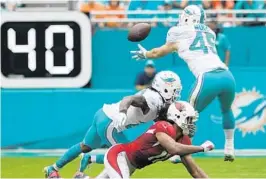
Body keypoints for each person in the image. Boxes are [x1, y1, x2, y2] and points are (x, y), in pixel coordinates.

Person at [131, 5, 236, 161]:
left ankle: (180, 153)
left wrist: (146, 54)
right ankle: (229, 149)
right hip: (227, 76)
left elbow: (158, 52)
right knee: (226, 110)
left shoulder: (178, 32)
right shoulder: (209, 32)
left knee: (185, 114)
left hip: (208, 77)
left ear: (186, 17)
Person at [44, 71, 182, 178]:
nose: (176, 94)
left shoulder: (159, 102)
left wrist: (173, 152)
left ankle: (53, 169)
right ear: (164, 88)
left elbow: (162, 129)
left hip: (103, 114)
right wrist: (122, 112)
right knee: (128, 157)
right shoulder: (153, 98)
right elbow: (129, 99)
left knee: (85, 146)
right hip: (110, 122)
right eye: (174, 90)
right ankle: (86, 172)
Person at [91, 101, 214, 179]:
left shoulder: (183, 140)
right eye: (189, 119)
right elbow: (173, 147)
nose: (191, 123)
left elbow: (195, 172)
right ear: (177, 117)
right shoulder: (164, 126)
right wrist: (201, 148)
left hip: (131, 165)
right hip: (119, 155)